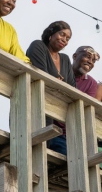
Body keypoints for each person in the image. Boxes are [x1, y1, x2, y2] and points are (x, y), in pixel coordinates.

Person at [27, 21, 75, 154]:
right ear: (51, 34)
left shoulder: (65, 59)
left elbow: (72, 88)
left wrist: (55, 83)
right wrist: (58, 85)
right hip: (31, 107)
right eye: (62, 34)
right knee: (29, 149)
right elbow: (40, 75)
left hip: (51, 113)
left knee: (43, 153)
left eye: (68, 38)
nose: (64, 40)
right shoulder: (38, 46)